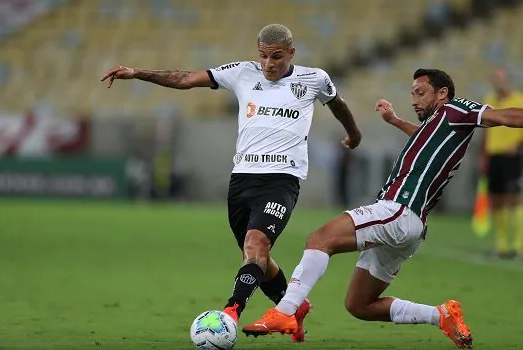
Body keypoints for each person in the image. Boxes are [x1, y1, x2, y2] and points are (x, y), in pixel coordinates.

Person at [100, 23, 361, 342]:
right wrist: (137, 72)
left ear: (291, 53)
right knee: (257, 259)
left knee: (255, 246)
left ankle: (230, 313)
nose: (268, 64)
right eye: (263, 56)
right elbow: (185, 79)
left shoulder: (314, 79)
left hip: (282, 181)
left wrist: (354, 134)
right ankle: (294, 308)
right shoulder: (242, 72)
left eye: (277, 57)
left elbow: (338, 103)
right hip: (241, 181)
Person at [242, 68, 523, 349]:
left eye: (421, 93)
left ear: (442, 93)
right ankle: (441, 315)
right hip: (412, 225)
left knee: (320, 239)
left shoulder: (456, 109)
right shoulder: (440, 126)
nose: (414, 99)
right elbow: (424, 138)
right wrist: (396, 120)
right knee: (359, 304)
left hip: (399, 209)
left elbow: (506, 116)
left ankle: (285, 311)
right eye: (412, 93)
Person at [480, 67, 523, 258]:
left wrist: (518, 145)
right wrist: (484, 155)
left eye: (501, 79)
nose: (498, 82)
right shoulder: (489, 101)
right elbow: (485, 129)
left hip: (512, 156)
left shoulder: (518, 100)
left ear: (507, 81)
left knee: (514, 198)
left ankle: (519, 245)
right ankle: (502, 244)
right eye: (495, 79)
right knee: (496, 200)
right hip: (494, 156)